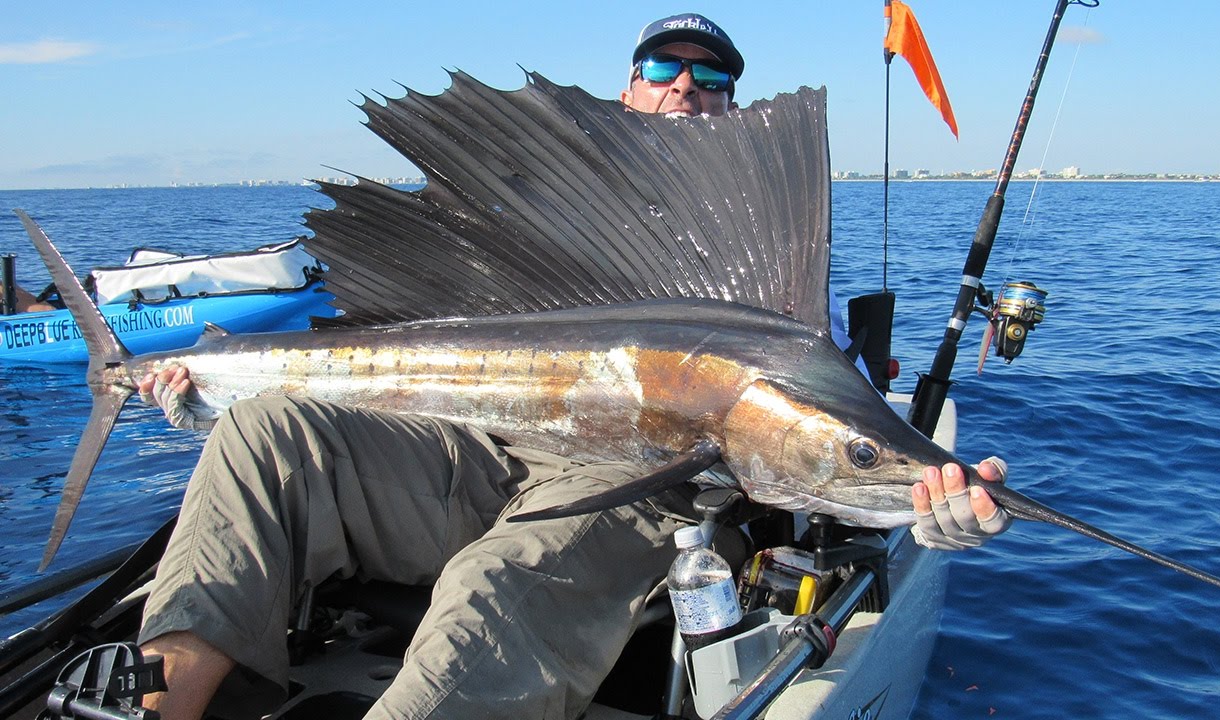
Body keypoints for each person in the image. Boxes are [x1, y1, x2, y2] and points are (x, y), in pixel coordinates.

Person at [134, 14, 1011, 720]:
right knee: (264, 432)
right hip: (468, 446)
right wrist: (207, 395)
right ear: (627, 88)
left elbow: (830, 435)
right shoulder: (552, 199)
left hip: (635, 486)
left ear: (733, 106)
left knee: (497, 587)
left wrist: (922, 505)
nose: (686, 89)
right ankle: (158, 705)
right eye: (665, 69)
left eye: (711, 80)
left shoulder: (768, 265)